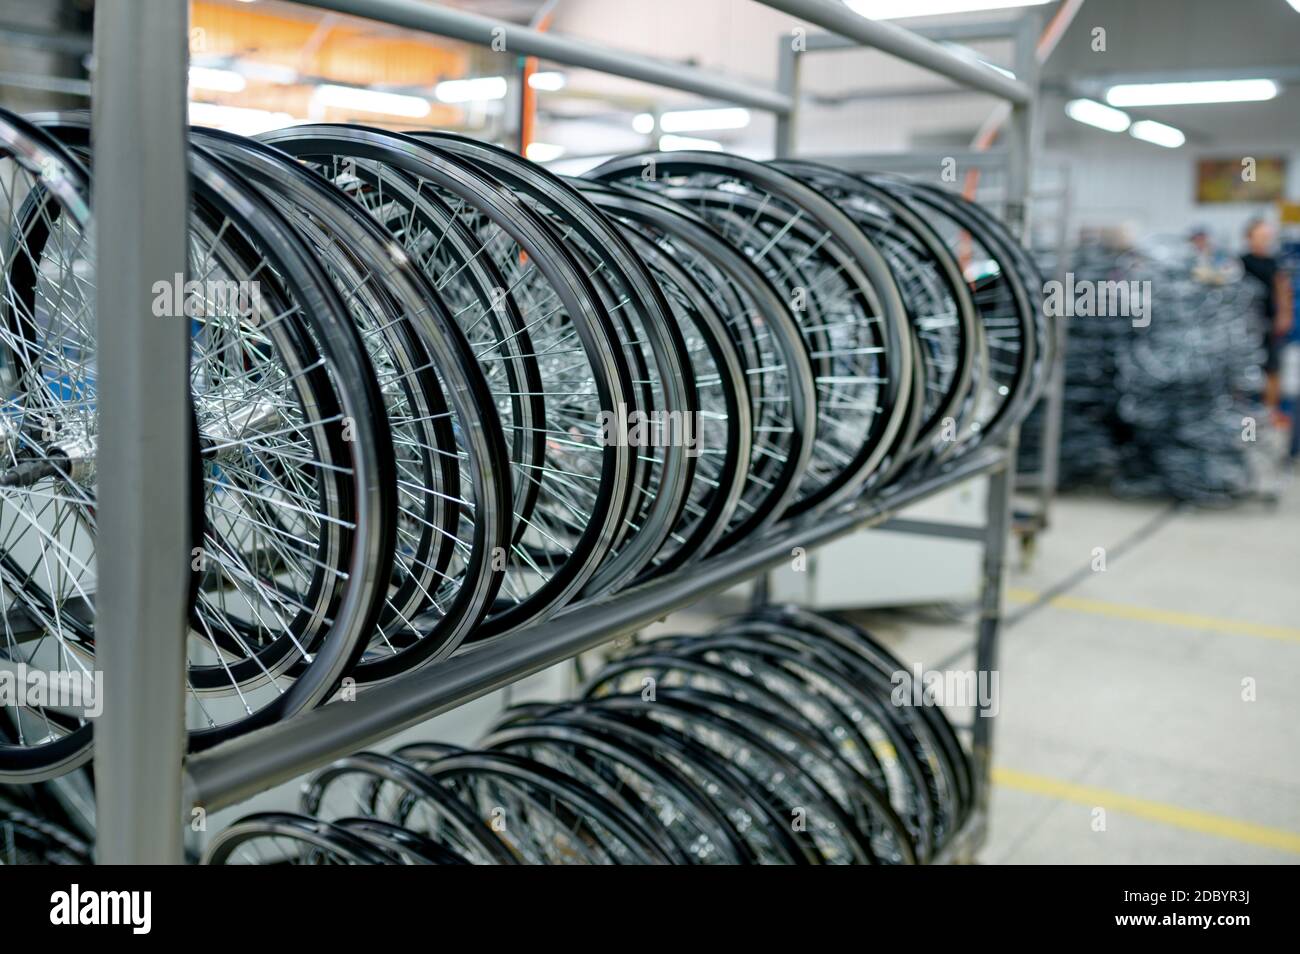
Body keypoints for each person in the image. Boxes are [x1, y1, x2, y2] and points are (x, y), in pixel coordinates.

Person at [1240, 219, 1294, 420]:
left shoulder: (1274, 263)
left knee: (1272, 367)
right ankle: (1241, 409)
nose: (1264, 241)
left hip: (1268, 323)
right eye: (1260, 236)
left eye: (1267, 237)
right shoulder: (1240, 262)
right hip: (1244, 325)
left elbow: (1283, 289)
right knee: (1242, 366)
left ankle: (1270, 412)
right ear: (1249, 237)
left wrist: (1285, 315)